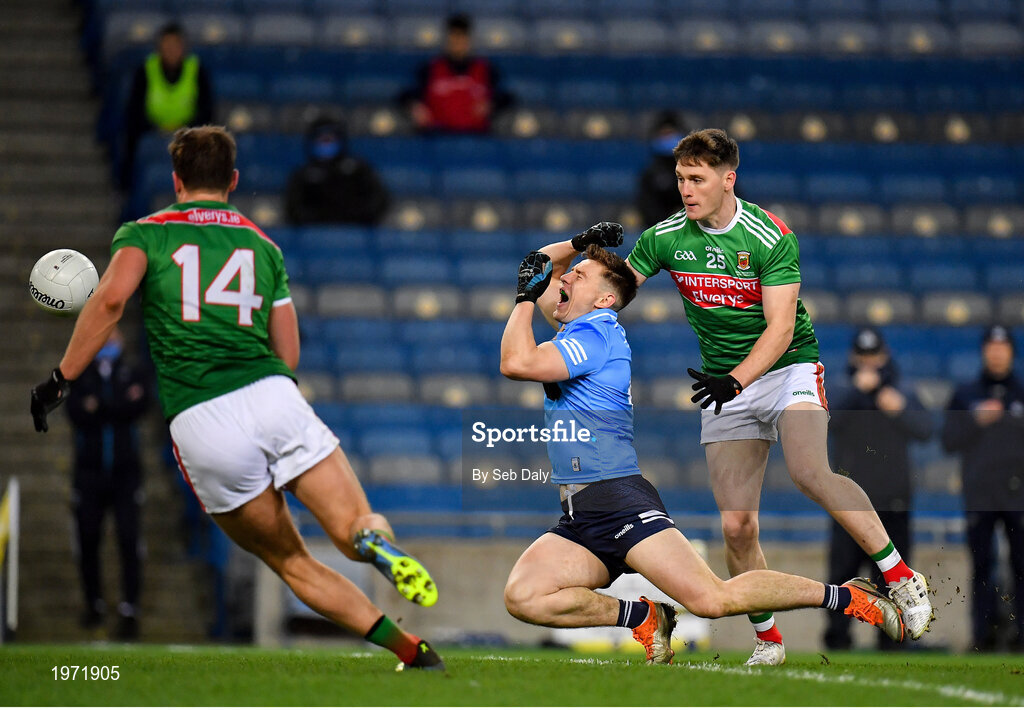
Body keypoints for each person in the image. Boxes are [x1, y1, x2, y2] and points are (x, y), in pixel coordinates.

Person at [31, 126, 444, 670]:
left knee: (291, 560)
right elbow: (288, 352)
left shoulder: (145, 234)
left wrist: (62, 377)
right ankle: (375, 545)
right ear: (233, 180)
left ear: (177, 180)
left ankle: (410, 651)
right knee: (353, 524)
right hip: (272, 396)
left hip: (203, 419)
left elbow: (109, 302)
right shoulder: (262, 245)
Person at [498, 224, 906, 664]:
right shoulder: (579, 325)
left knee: (711, 599)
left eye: (580, 274)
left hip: (616, 497)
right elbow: (539, 263)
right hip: (580, 508)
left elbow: (515, 362)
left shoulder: (596, 333)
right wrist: (578, 244)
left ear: (605, 299)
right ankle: (641, 616)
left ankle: (847, 598)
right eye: (571, 272)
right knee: (525, 597)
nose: (567, 277)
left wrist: (523, 299)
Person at [623, 128, 933, 665]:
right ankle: (768, 640)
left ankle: (902, 577)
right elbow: (615, 289)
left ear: (728, 179)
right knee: (737, 525)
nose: (686, 190)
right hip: (725, 382)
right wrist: (571, 270)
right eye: (680, 179)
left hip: (785, 368)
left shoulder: (769, 235)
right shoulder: (664, 237)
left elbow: (781, 329)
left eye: (697, 179)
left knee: (810, 472)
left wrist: (738, 379)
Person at [823, 327, 933, 651]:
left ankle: (894, 642)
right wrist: (856, 393)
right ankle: (837, 640)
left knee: (891, 576)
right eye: (863, 357)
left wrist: (899, 409)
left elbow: (927, 429)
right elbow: (825, 420)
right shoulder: (843, 390)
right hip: (849, 502)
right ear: (854, 359)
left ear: (884, 356)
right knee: (843, 571)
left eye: (874, 356)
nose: (869, 363)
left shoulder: (902, 391)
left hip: (892, 501)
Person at [941, 324, 1024, 652]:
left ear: (1012, 352)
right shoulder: (966, 394)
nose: (997, 352)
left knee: (1022, 565)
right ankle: (982, 637)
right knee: (981, 565)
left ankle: (1021, 637)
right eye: (992, 346)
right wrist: (974, 419)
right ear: (983, 351)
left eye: (1003, 347)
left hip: (1019, 494)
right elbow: (948, 440)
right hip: (979, 493)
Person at [65, 327, 151, 640]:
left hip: (126, 474)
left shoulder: (133, 370)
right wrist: (115, 407)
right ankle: (93, 603)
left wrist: (100, 407)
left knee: (129, 539)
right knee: (88, 539)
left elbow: (139, 406)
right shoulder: (80, 373)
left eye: (115, 333)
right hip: (89, 474)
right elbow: (76, 413)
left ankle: (129, 609)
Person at [120, 23, 214, 189]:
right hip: (152, 134)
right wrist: (156, 130)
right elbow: (134, 112)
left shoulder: (197, 70)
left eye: (175, 45)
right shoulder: (146, 70)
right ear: (159, 47)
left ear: (183, 47)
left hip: (188, 138)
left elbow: (207, 111)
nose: (171, 50)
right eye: (167, 45)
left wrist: (185, 132)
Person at [399, 13, 512, 133]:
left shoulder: (486, 69)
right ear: (447, 39)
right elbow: (405, 95)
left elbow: (506, 97)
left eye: (462, 36)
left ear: (469, 39)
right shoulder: (430, 69)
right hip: (436, 137)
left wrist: (491, 104)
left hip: (476, 138)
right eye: (454, 36)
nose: (458, 42)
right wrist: (415, 106)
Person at [284, 116, 390, 226]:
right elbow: (294, 210)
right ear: (312, 141)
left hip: (356, 232)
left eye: (329, 139)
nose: (326, 144)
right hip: (315, 234)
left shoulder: (359, 169)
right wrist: (320, 220)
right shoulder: (303, 175)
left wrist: (355, 217)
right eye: (322, 139)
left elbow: (378, 201)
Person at [636, 111, 687, 227]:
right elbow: (647, 209)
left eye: (671, 134)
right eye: (664, 135)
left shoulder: (700, 168)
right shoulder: (650, 174)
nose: (668, 139)